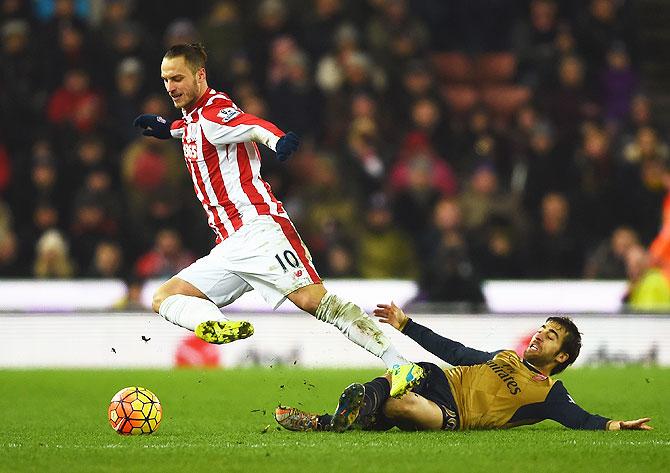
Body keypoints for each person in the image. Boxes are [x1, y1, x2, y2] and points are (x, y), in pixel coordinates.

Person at [132, 43, 422, 397]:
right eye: (165, 80)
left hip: (260, 230)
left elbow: (250, 126)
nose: (171, 86)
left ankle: (400, 364)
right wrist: (169, 129)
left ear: (200, 75)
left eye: (177, 78)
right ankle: (213, 324)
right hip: (230, 244)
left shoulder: (214, 111)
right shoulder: (195, 118)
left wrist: (278, 139)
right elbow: (195, 129)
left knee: (313, 300)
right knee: (165, 297)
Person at [275, 303, 652, 432]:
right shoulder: (506, 357)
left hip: (453, 412)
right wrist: (406, 324)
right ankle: (345, 412)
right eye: (542, 330)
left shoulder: (548, 394)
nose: (539, 336)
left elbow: (580, 419)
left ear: (562, 358)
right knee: (400, 377)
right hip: (438, 378)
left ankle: (335, 419)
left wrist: (616, 424)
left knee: (398, 404)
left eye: (550, 337)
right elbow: (454, 351)